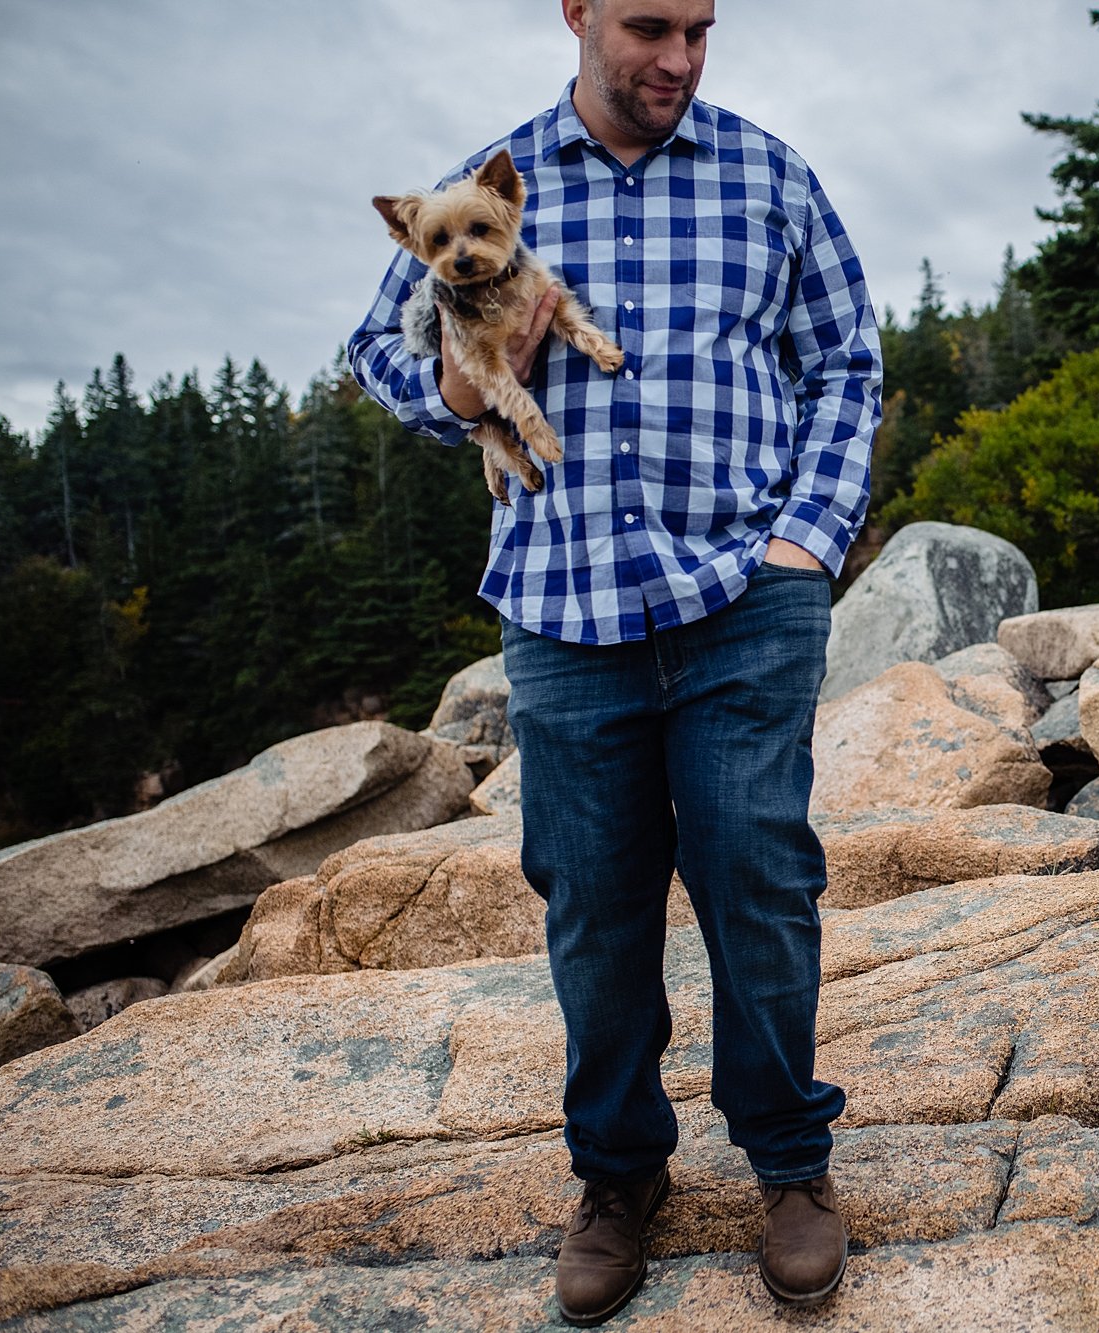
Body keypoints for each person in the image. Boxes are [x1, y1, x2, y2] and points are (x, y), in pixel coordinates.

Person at [348, 0, 880, 1322]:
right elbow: (378, 353)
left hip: (745, 601)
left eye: (702, 30)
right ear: (577, 11)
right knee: (593, 908)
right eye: (651, 27)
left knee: (759, 879)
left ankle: (791, 1164)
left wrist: (807, 545)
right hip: (562, 613)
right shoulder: (487, 187)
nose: (680, 61)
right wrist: (467, 391)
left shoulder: (771, 175)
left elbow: (848, 365)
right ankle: (618, 1175)